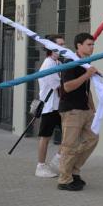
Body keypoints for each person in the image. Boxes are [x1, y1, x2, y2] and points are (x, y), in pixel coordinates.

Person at [57, 33, 99, 191]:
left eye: (93, 44)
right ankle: (64, 179)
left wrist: (93, 107)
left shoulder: (86, 62)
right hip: (71, 110)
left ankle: (73, 170)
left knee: (92, 139)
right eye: (89, 44)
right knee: (69, 145)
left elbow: (86, 89)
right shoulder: (70, 62)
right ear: (79, 46)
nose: (92, 47)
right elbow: (67, 87)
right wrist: (87, 75)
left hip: (85, 109)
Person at [35, 34, 65, 178]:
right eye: (59, 44)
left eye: (63, 44)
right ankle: (40, 166)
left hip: (58, 106)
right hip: (50, 106)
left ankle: (56, 161)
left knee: (69, 135)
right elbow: (58, 86)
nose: (62, 47)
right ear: (50, 47)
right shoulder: (49, 64)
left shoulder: (57, 62)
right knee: (45, 137)